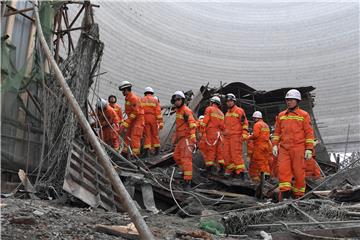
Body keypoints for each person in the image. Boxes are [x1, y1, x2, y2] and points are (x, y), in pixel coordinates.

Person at [272, 89, 315, 200]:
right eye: (287, 100)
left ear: (297, 101)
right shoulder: (281, 115)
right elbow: (276, 132)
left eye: (291, 100)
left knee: (299, 173)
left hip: (298, 148)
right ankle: (285, 196)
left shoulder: (304, 115)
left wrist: (309, 149)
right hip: (284, 149)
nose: (289, 102)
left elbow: (309, 133)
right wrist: (275, 145)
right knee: (283, 172)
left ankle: (298, 196)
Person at [171, 91, 197, 190]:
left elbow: (192, 124)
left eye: (178, 100)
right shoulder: (178, 111)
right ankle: (185, 172)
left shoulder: (186, 111)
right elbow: (179, 126)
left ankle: (188, 181)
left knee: (186, 159)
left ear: (182, 100)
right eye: (175, 100)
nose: (177, 102)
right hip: (181, 139)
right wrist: (175, 138)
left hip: (187, 138)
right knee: (176, 156)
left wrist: (193, 136)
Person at [223, 93, 249, 179]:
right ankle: (231, 171)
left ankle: (240, 173)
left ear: (234, 101)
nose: (229, 103)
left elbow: (245, 123)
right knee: (226, 155)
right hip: (227, 138)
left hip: (236, 137)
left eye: (230, 101)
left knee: (236, 155)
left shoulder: (239, 111)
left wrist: (244, 133)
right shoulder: (226, 113)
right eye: (227, 101)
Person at [118, 81, 145, 157]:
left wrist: (127, 121)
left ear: (126, 90)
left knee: (135, 137)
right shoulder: (128, 98)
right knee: (128, 135)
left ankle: (135, 156)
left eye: (123, 91)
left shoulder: (133, 98)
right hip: (133, 120)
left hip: (138, 120)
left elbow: (136, 111)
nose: (122, 92)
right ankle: (125, 153)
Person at [200, 96, 225, 174]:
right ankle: (222, 169)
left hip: (211, 133)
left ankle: (208, 170)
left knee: (210, 151)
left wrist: (202, 131)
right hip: (219, 135)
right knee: (219, 152)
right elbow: (223, 126)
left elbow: (205, 122)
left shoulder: (209, 109)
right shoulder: (221, 113)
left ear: (212, 102)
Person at [247, 111, 271, 182]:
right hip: (266, 145)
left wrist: (248, 137)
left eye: (254, 118)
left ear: (256, 118)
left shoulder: (257, 125)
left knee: (258, 161)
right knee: (265, 161)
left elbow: (255, 135)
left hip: (259, 145)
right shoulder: (266, 125)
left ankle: (262, 178)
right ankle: (267, 176)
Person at [141, 87, 164, 156]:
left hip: (145, 118)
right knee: (155, 135)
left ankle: (147, 152)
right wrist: (160, 122)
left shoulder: (141, 100)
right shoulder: (155, 100)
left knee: (147, 135)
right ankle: (157, 151)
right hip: (153, 118)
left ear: (145, 93)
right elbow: (158, 112)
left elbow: (139, 110)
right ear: (152, 93)